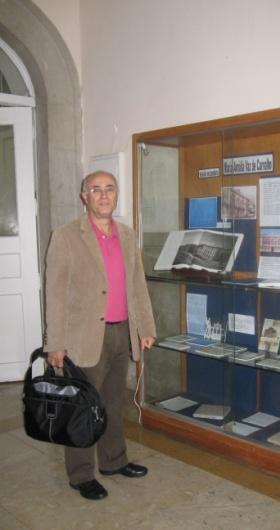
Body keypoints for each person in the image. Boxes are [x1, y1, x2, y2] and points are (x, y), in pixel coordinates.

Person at [43, 170, 156, 501]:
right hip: (83, 339)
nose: (104, 195)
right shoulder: (65, 236)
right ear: (84, 197)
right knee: (81, 409)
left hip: (122, 332)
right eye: (96, 190)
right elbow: (55, 294)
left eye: (110, 189)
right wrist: (55, 344)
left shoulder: (126, 234)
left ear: (116, 194)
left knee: (112, 403)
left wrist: (145, 328)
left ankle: (113, 461)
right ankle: (80, 475)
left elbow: (137, 285)